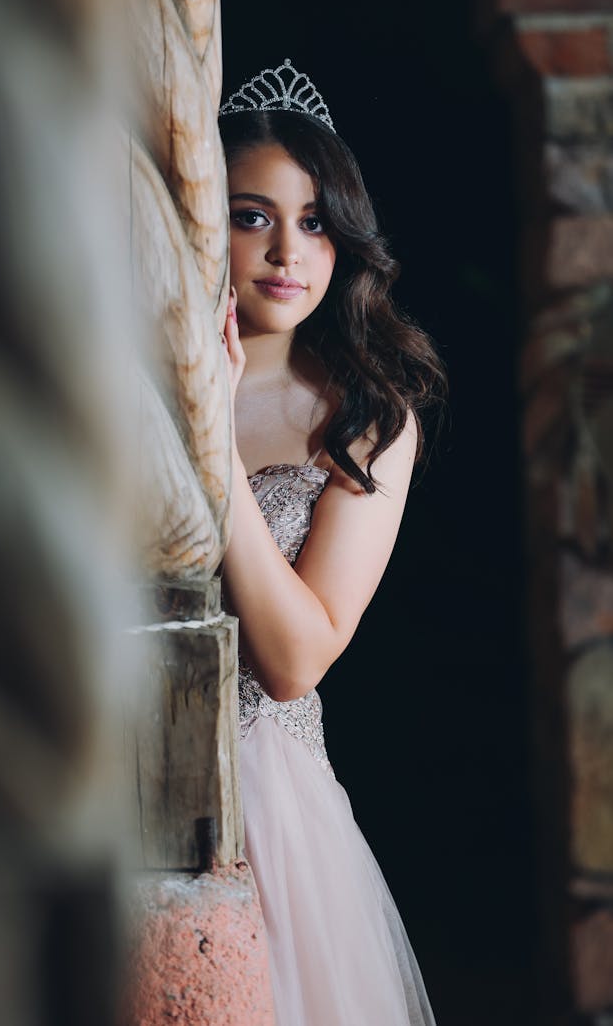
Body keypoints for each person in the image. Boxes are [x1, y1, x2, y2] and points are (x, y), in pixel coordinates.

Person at [218, 59, 445, 1026]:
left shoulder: (370, 419)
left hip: (267, 814)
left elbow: (295, 659)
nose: (286, 250)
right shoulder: (114, 383)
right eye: (252, 214)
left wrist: (207, 441)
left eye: (314, 221)